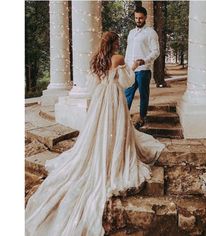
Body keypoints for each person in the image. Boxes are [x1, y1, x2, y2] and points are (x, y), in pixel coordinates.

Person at [25, 32, 165, 236]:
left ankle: (103, 154)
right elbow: (126, 82)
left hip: (100, 98)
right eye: (117, 41)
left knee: (99, 130)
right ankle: (114, 158)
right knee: (116, 129)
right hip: (114, 97)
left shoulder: (96, 58)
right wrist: (132, 67)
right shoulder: (117, 58)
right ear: (114, 43)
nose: (119, 44)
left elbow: (92, 84)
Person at [125, 6, 160, 128]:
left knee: (143, 95)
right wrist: (127, 66)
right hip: (131, 69)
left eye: (140, 18)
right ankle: (124, 117)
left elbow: (156, 52)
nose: (138, 20)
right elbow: (128, 51)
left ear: (145, 17)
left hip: (143, 70)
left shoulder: (151, 33)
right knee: (127, 93)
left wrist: (144, 61)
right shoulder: (131, 33)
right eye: (136, 18)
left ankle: (142, 117)